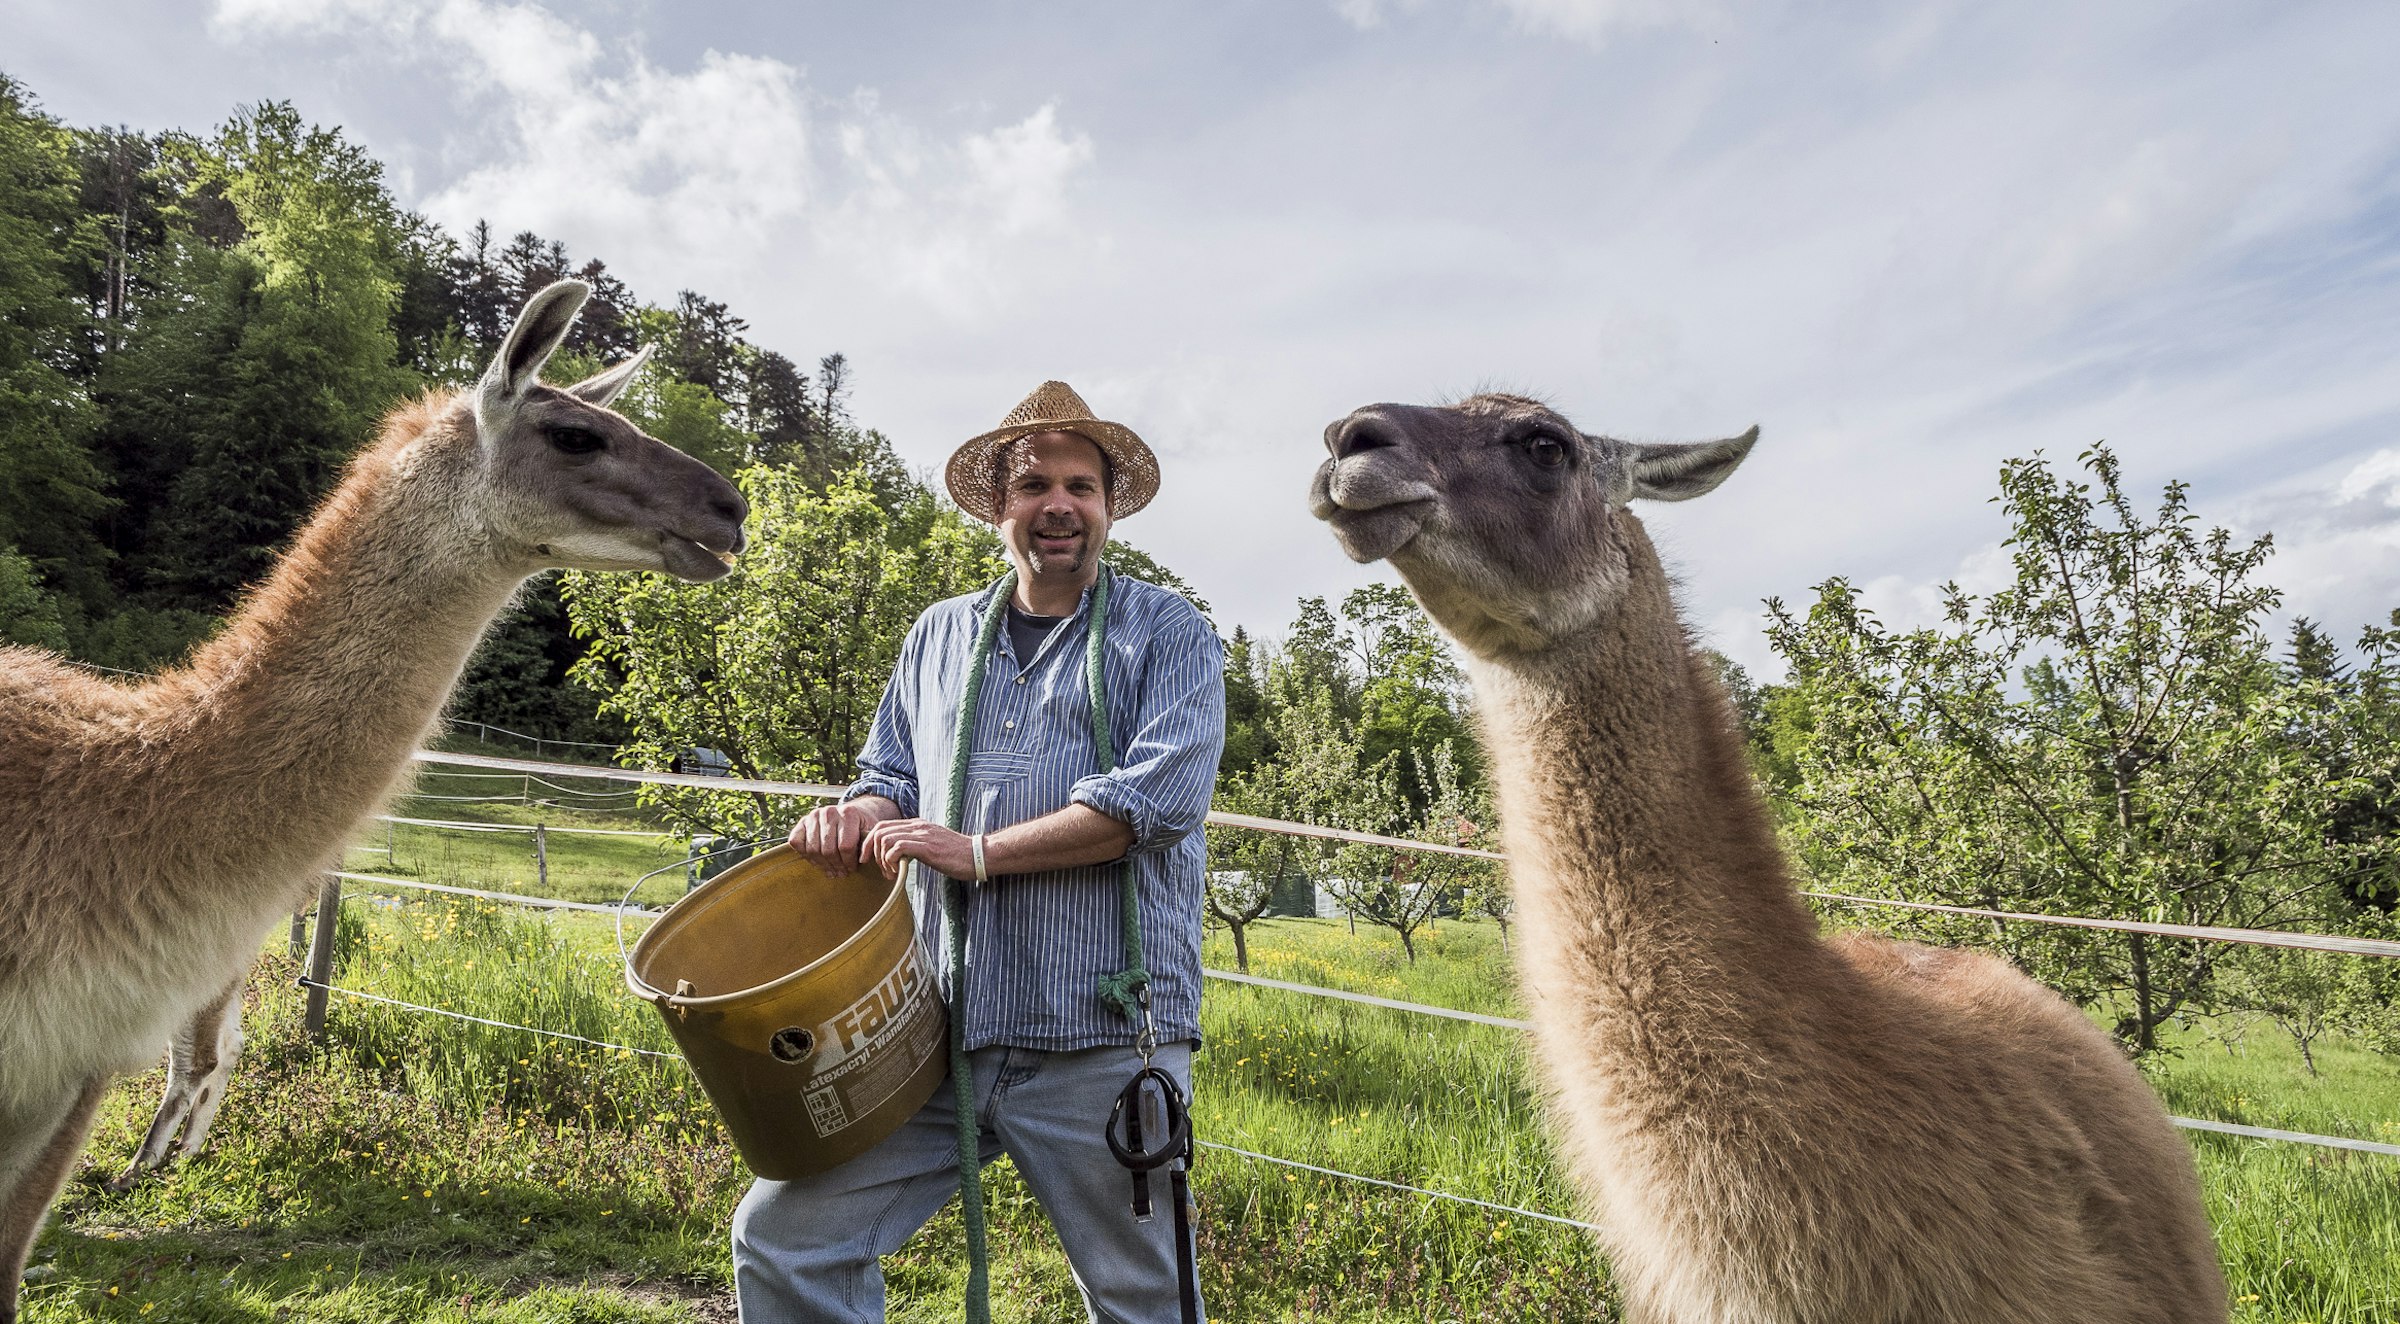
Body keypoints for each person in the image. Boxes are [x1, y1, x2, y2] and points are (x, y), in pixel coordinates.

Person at [734, 381, 1225, 1323]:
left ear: (1107, 509)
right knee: (786, 1240)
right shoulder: (941, 633)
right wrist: (856, 814)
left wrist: (977, 851)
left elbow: (1153, 803)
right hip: (935, 1028)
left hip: (1101, 1034)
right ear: (999, 507)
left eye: (1082, 486)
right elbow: (889, 773)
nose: (1059, 505)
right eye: (1035, 483)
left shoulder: (1168, 633)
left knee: (1143, 1298)